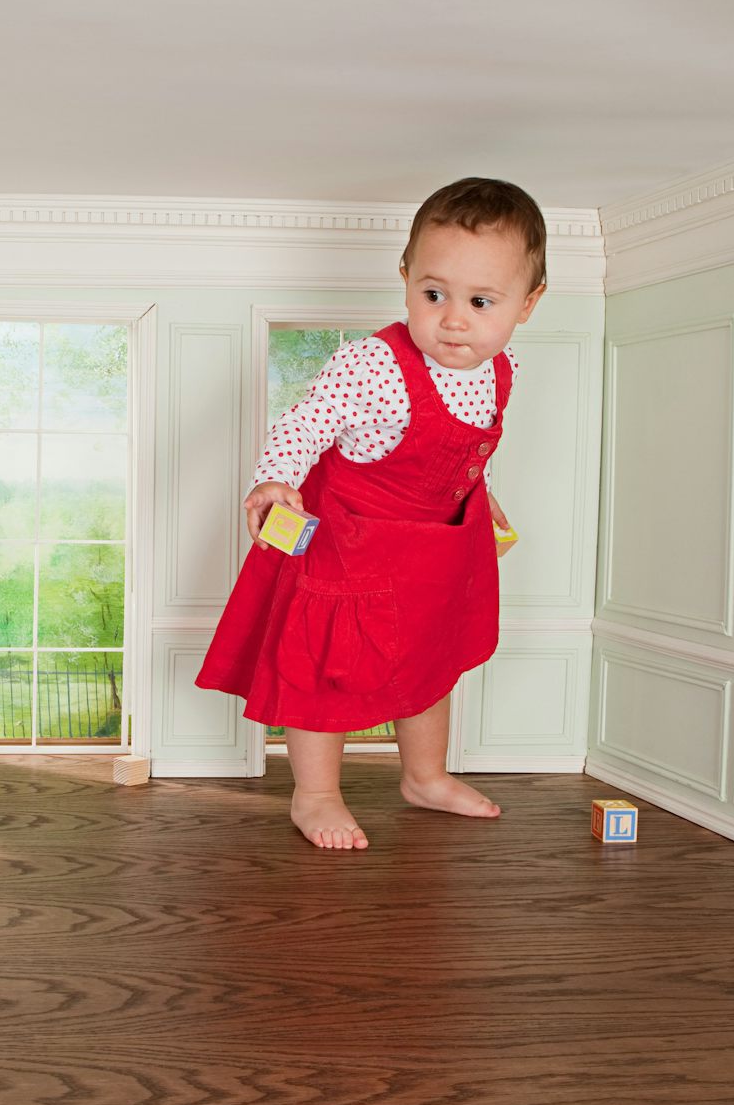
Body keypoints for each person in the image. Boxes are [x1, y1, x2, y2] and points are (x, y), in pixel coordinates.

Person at [194, 177, 547, 850]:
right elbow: (306, 424)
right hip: (349, 547)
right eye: (433, 293)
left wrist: (481, 489)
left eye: (481, 301)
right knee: (326, 667)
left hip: (434, 551)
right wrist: (274, 479)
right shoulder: (374, 366)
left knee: (431, 659)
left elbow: (462, 448)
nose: (452, 319)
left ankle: (425, 776)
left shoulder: (500, 371)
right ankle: (317, 793)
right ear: (406, 277)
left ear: (527, 305)